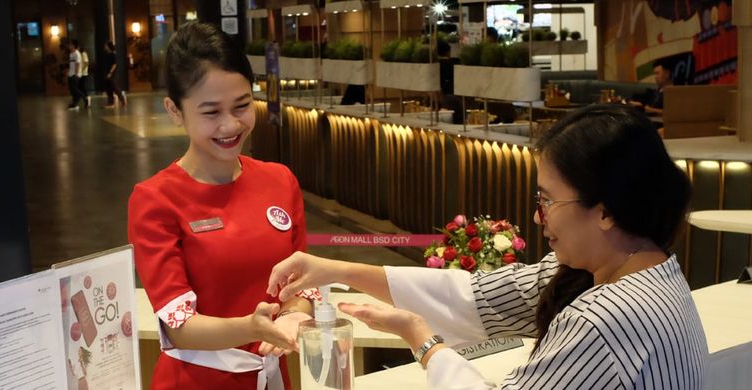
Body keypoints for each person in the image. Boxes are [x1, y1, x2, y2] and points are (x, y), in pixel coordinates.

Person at [268, 105, 708, 389]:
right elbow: (476, 296)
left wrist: (423, 342)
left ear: (606, 210)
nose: (539, 216)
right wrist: (337, 270)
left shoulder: (604, 320)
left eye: (547, 200)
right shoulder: (644, 267)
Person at [128, 21, 316, 389]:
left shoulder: (280, 181)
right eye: (211, 112)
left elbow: (304, 285)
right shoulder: (155, 200)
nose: (231, 125)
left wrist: (294, 316)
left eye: (242, 105)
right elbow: (179, 326)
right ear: (175, 110)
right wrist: (252, 327)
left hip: (274, 378)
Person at [102, 41, 127, 108]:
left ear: (109, 46)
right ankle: (111, 103)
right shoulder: (106, 54)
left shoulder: (113, 54)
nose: (105, 47)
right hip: (106, 71)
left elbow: (114, 64)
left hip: (112, 72)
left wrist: (110, 72)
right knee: (108, 88)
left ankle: (122, 99)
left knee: (114, 86)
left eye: (106, 45)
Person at [66, 39, 84, 110]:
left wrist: (76, 74)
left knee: (75, 89)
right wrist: (69, 71)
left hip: (76, 74)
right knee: (72, 89)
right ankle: (74, 103)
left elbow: (78, 64)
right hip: (71, 73)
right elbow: (71, 64)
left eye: (70, 44)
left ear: (73, 45)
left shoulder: (77, 53)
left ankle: (84, 98)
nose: (69, 46)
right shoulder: (71, 54)